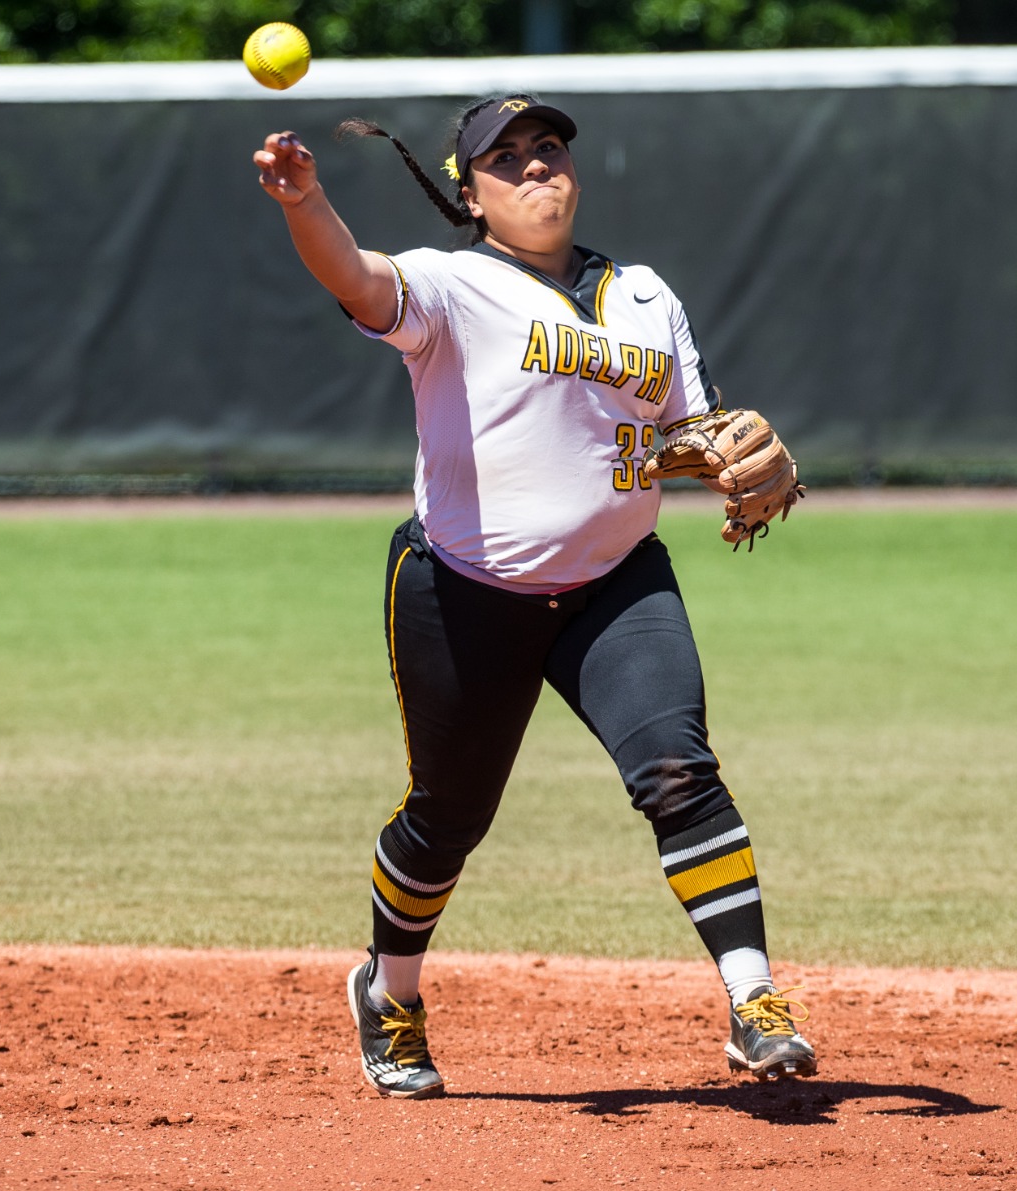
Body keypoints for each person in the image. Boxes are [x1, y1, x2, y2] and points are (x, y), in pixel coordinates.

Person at [253, 95, 817, 1099]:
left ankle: (753, 1003)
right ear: (467, 192)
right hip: (464, 592)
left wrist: (729, 460)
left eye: (545, 149)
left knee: (678, 772)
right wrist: (304, 202)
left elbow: (684, 435)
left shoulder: (644, 295)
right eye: (502, 159)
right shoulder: (450, 287)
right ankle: (388, 992)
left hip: (614, 584)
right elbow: (354, 274)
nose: (530, 167)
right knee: (445, 819)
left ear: (573, 169)